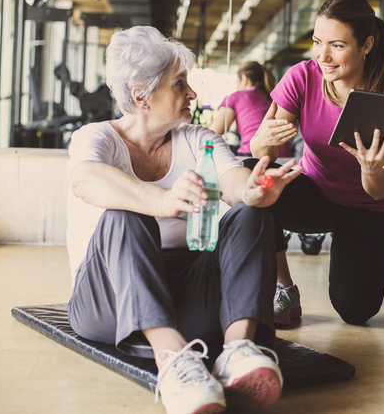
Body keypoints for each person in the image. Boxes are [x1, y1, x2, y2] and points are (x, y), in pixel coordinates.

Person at [65, 25, 301, 414]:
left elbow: (233, 180)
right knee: (125, 215)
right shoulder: (97, 137)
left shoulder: (198, 138)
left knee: (251, 215)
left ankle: (237, 351)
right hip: (109, 300)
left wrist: (253, 190)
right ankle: (172, 361)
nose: (192, 94)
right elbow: (85, 179)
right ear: (141, 95)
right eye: (179, 85)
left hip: (187, 292)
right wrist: (162, 200)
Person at [249, 0, 384, 326]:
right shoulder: (302, 77)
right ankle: (284, 289)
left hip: (364, 208)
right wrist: (261, 141)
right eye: (317, 42)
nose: (322, 56)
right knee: (251, 176)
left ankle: (355, 259)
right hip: (313, 194)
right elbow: (262, 156)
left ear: (366, 45)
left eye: (337, 45)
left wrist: (369, 169)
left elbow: (380, 191)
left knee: (356, 312)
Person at [209, 61, 293, 158]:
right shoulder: (272, 97)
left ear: (244, 79)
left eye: (237, 81)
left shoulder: (236, 97)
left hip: (253, 155)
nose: (237, 85)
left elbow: (213, 132)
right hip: (284, 156)